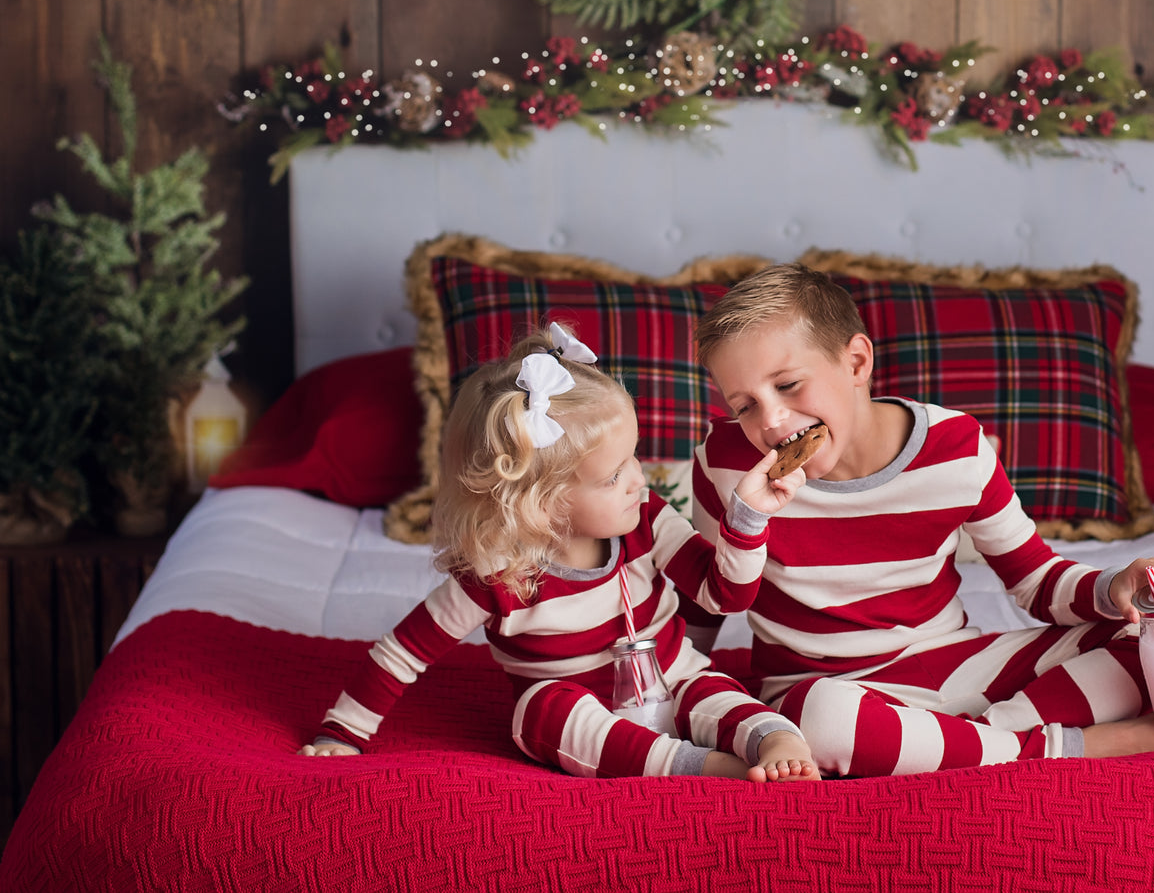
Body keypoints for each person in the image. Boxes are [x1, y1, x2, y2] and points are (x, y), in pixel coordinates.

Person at [686, 263, 1154, 778]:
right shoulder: (728, 462)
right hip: (827, 692)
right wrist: (678, 688)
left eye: (789, 385)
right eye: (746, 405)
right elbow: (707, 598)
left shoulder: (956, 446)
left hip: (958, 665)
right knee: (821, 723)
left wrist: (1115, 585)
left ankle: (967, 741)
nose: (772, 421)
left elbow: (1035, 583)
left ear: (855, 363)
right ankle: (1058, 748)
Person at [300, 323, 817, 783]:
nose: (638, 479)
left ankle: (774, 739)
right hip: (575, 706)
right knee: (542, 715)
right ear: (541, 505)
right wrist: (341, 736)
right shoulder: (497, 576)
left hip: (668, 675)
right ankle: (705, 767)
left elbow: (724, 595)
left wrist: (748, 518)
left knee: (713, 690)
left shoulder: (647, 516)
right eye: (614, 475)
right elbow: (402, 653)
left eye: (633, 457)